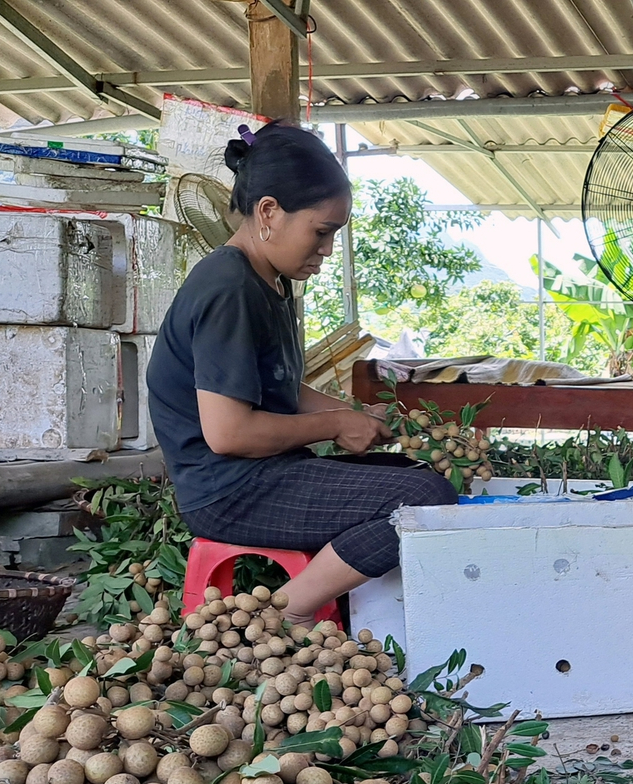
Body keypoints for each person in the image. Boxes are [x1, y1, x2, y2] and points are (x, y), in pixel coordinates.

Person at [147, 122, 454, 621]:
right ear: (268, 212)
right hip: (226, 489)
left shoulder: (265, 281)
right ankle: (286, 613)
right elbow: (228, 433)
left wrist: (356, 415)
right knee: (421, 499)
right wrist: (335, 425)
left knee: (416, 478)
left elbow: (282, 388)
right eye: (321, 231)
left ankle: (316, 606)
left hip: (261, 474)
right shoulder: (230, 289)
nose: (328, 249)